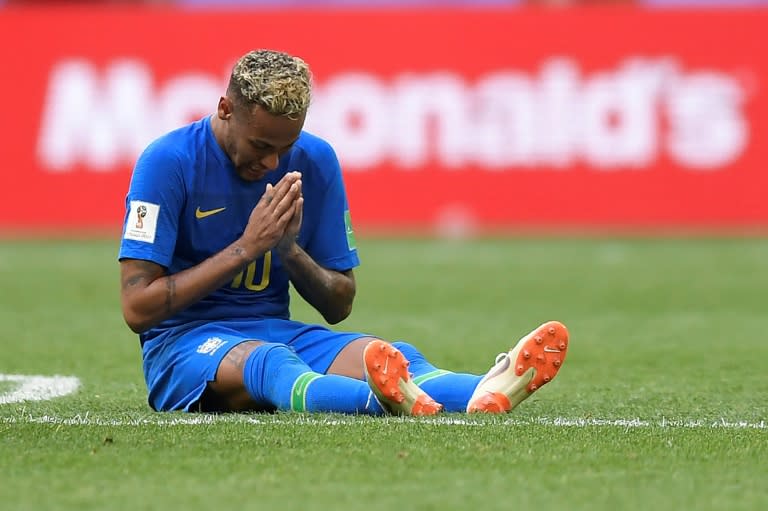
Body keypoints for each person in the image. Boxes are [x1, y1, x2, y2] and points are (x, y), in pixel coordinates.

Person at [118, 49, 570, 416]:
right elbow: (138, 309)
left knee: (391, 354)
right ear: (225, 109)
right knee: (272, 363)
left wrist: (288, 250)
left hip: (276, 331)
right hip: (183, 347)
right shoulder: (168, 162)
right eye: (260, 145)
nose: (273, 163)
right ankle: (383, 403)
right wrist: (246, 248)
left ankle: (489, 390)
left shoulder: (314, 161)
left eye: (285, 147)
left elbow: (339, 303)